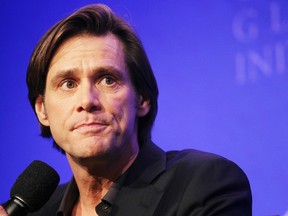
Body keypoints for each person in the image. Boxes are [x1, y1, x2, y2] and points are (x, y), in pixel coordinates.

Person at [1, 4, 252, 216]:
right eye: (68, 84)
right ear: (42, 110)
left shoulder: (204, 184)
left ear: (142, 99)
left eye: (107, 79)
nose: (87, 100)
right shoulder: (35, 211)